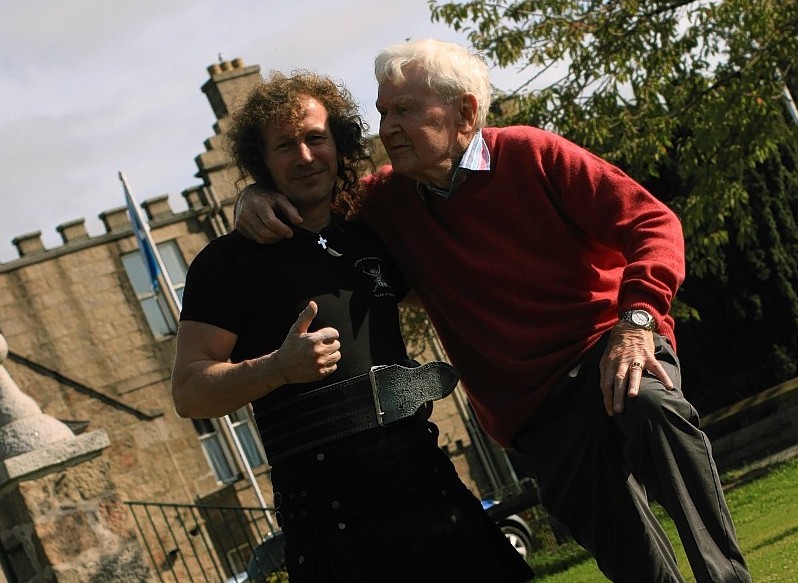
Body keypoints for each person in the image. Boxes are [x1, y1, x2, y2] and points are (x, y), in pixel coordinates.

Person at [235, 39, 751, 583]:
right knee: (636, 565)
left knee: (651, 407)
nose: (386, 128)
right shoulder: (383, 201)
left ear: (464, 112)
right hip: (533, 411)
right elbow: (312, 197)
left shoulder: (532, 154)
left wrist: (638, 321)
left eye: (405, 110)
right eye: (383, 111)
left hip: (608, 348)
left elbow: (653, 225)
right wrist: (254, 194)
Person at [171, 71, 534, 583]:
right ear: (260, 162)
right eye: (284, 146)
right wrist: (277, 368)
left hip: (426, 483)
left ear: (338, 144)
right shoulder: (226, 264)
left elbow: (463, 281)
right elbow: (189, 392)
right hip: (329, 517)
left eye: (315, 138)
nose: (304, 156)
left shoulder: (374, 232)